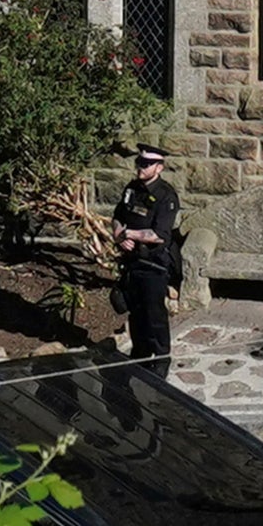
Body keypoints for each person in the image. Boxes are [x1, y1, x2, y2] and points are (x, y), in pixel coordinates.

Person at [111, 147, 184, 368]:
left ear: (159, 167)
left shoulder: (166, 195)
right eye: (139, 162)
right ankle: (140, 355)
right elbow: (117, 216)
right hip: (132, 261)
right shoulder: (132, 188)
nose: (140, 167)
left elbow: (160, 235)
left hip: (154, 263)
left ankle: (161, 359)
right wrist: (118, 234)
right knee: (135, 312)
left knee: (155, 315)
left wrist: (129, 233)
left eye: (146, 164)